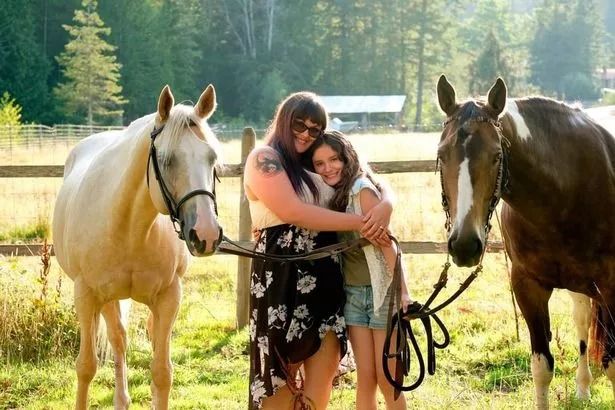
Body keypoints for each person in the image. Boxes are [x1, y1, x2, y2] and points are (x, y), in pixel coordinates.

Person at [243, 91, 393, 409]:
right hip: (281, 280)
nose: (307, 134)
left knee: (322, 374)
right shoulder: (264, 158)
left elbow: (364, 176)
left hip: (325, 276)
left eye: (315, 129)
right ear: (285, 120)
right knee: (278, 377)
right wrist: (360, 221)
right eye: (301, 124)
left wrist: (387, 204)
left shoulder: (317, 163)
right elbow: (293, 211)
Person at [307, 130, 411, 410]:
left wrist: (403, 293)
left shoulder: (361, 190)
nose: (328, 168)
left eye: (334, 159)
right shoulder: (330, 194)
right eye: (319, 163)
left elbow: (388, 247)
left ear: (347, 158)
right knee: (365, 377)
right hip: (353, 294)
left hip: (382, 293)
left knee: (388, 376)